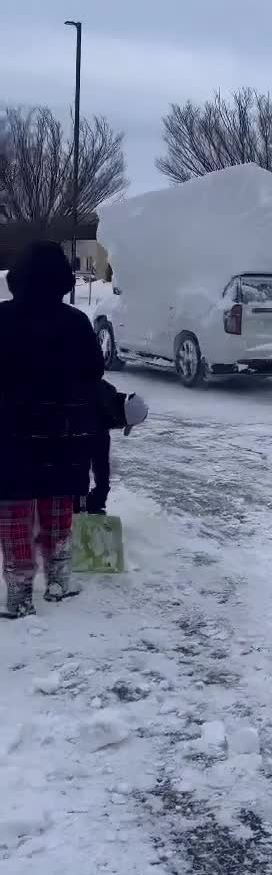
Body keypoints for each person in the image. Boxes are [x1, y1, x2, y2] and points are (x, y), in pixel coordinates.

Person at [0, 241, 104, 617]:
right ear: (61, 280)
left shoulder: (1, 318)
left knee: (13, 511)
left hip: (10, 431)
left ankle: (19, 592)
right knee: (57, 504)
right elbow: (95, 372)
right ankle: (59, 580)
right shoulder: (75, 321)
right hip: (64, 432)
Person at [84, 380, 149, 514]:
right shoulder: (96, 410)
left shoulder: (107, 407)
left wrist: (101, 493)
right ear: (121, 418)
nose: (119, 428)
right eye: (122, 425)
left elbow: (101, 461)